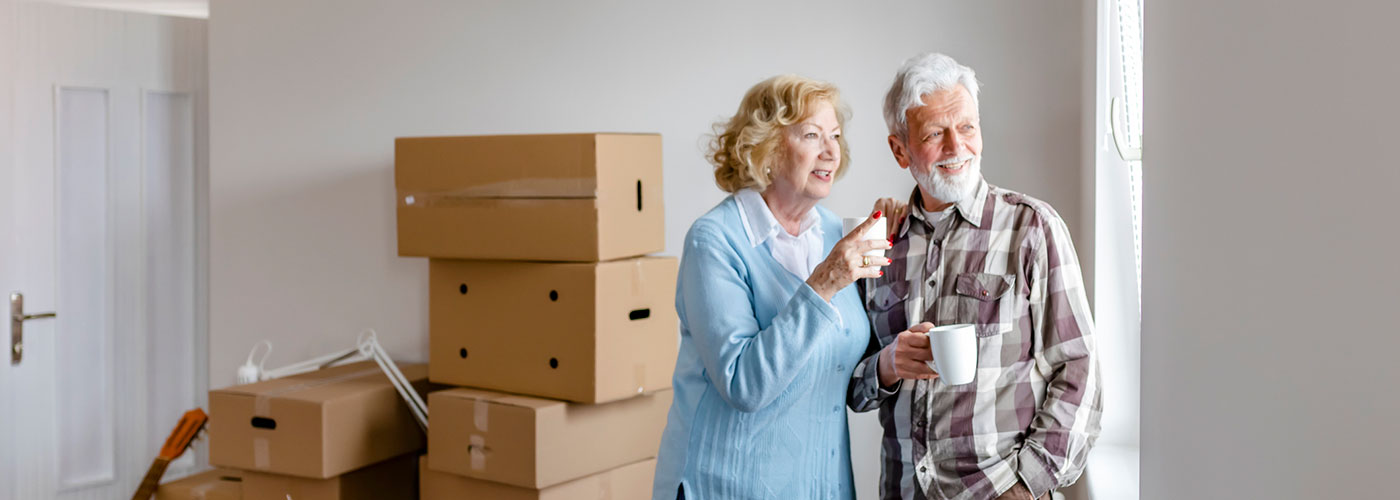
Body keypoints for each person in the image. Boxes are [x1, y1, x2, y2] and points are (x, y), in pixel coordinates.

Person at [848, 53, 1103, 500]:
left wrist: (1027, 485)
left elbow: (1079, 367)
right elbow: (852, 384)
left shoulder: (1032, 228)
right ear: (899, 149)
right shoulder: (880, 244)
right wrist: (887, 367)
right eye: (933, 134)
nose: (955, 147)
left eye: (966, 127)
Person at [652, 74, 901, 500]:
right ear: (766, 147)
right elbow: (743, 384)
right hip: (725, 485)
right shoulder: (713, 240)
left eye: (835, 136)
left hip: (821, 485)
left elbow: (836, 365)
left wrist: (893, 361)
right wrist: (824, 283)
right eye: (811, 135)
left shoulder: (831, 232)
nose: (830, 152)